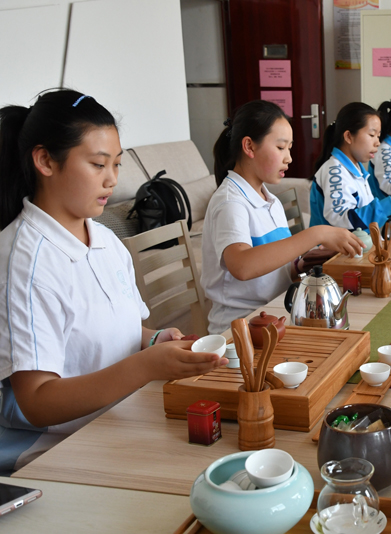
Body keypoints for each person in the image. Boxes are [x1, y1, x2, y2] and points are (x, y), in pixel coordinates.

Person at [0, 90, 228, 473]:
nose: (112, 180)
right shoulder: (24, 260)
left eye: (118, 165)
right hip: (57, 448)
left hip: (119, 414)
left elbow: (116, 330)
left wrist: (154, 341)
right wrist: (145, 367)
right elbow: (36, 402)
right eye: (97, 165)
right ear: (44, 161)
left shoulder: (104, 240)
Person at [204, 100, 363, 334]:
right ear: (249, 146)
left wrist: (302, 263)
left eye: (289, 148)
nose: (288, 158)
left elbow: (275, 268)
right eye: (280, 148)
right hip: (240, 330)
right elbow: (242, 266)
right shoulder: (230, 203)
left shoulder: (271, 201)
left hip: (277, 315)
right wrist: (315, 233)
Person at [310, 102, 391, 229]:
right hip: (332, 248)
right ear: (349, 136)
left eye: (378, 136)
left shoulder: (356, 168)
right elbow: (345, 220)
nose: (377, 142)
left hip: (362, 243)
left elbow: (366, 214)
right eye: (372, 135)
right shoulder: (334, 170)